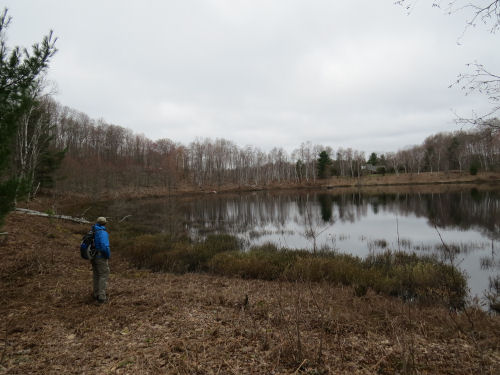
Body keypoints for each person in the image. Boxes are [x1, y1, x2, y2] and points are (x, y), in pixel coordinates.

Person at [91, 216, 110, 304]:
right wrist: (107, 255)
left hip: (93, 256)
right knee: (103, 274)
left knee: (96, 275)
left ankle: (96, 294)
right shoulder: (102, 232)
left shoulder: (93, 230)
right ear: (105, 223)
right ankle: (101, 297)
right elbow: (104, 246)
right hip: (100, 257)